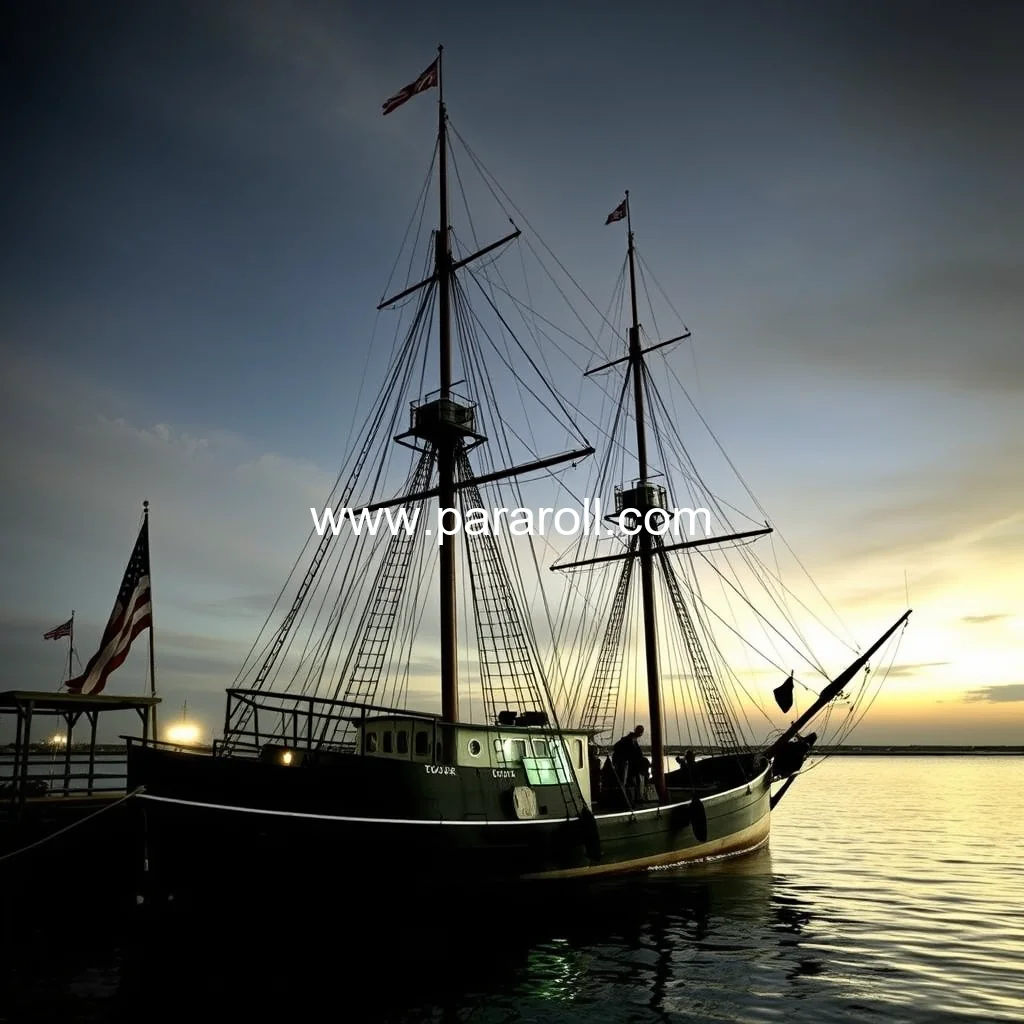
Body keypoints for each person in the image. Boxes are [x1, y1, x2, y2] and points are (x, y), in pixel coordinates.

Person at [612, 725, 650, 797]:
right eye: (640, 731)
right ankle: (627, 796)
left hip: (629, 763)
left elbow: (638, 753)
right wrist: (625, 757)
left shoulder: (633, 740)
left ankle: (638, 794)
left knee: (636, 776)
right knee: (624, 781)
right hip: (625, 763)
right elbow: (616, 747)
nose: (640, 733)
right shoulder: (628, 739)